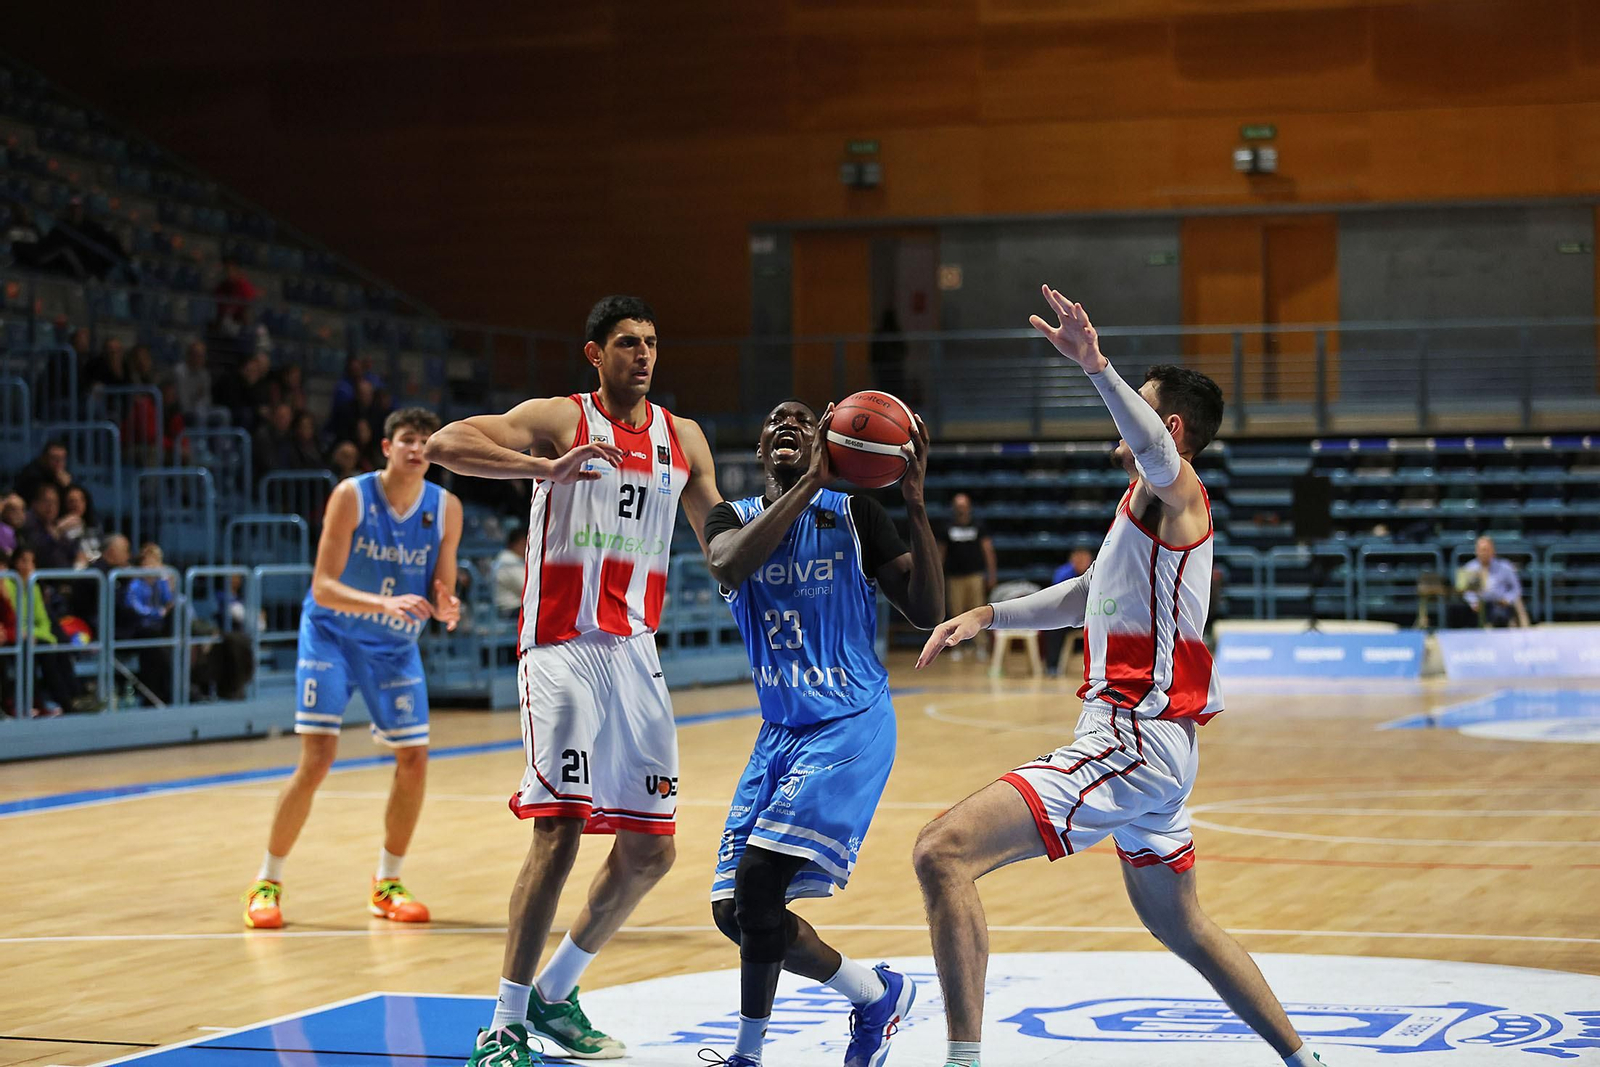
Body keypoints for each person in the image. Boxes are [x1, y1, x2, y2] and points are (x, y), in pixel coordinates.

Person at [911, 289, 1326, 1067]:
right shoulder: (1136, 505)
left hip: (1132, 736)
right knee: (1184, 927)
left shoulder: (1181, 493)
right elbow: (1082, 595)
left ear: (1166, 425)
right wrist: (989, 616)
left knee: (942, 850)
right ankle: (1308, 1061)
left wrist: (1096, 365)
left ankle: (961, 1061)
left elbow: (1164, 458)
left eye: (1140, 403)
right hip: (1148, 746)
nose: (1124, 413)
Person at [425, 295, 722, 1067]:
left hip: (635, 652)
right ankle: (503, 1025)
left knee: (652, 853)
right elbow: (446, 442)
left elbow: (723, 541)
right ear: (595, 353)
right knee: (557, 829)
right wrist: (539, 468)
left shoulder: (682, 437)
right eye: (628, 343)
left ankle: (558, 991)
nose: (644, 355)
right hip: (560, 645)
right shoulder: (562, 418)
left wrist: (807, 493)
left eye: (653, 343)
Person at [700, 399, 942, 1067]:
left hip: (849, 721)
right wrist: (811, 479)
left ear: (828, 439)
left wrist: (915, 506)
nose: (786, 422)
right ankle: (875, 995)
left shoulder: (857, 514)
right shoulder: (732, 518)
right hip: (779, 733)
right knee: (736, 913)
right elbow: (727, 565)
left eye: (804, 420)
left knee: (757, 882)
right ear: (758, 447)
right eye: (774, 418)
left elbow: (926, 609)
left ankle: (748, 1056)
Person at [241, 407, 463, 930]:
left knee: (415, 758)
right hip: (334, 634)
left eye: (427, 442)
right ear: (386, 448)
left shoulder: (446, 508)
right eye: (408, 440)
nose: (417, 449)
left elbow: (442, 586)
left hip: (394, 645)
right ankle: (266, 882)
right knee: (318, 757)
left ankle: (387, 882)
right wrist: (380, 605)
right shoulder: (352, 495)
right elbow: (323, 585)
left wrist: (448, 605)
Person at [937, 493, 996, 661]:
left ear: (969, 507)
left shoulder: (978, 526)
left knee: (978, 611)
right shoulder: (946, 527)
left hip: (974, 576)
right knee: (956, 612)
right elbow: (941, 553)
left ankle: (980, 646)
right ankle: (956, 646)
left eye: (964, 506)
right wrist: (939, 577)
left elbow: (988, 551)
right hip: (954, 577)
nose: (961, 509)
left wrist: (991, 574)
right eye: (958, 506)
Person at [119, 541, 177, 705]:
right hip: (139, 628)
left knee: (170, 638)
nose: (152, 565)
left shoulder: (160, 583)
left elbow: (168, 602)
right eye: (148, 561)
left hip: (158, 628)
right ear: (142, 564)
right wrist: (157, 613)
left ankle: (171, 692)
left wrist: (166, 580)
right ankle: (159, 695)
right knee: (156, 647)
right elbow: (135, 608)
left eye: (155, 561)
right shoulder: (135, 584)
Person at [1454, 535, 1529, 629]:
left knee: (1499, 614)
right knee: (1456, 610)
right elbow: (1464, 590)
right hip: (1478, 606)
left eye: (1486, 549)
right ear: (1476, 551)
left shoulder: (1505, 567)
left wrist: (1507, 599)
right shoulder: (1469, 567)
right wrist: (1473, 602)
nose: (1483, 553)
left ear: (1493, 551)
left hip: (1499, 604)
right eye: (1481, 550)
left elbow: (1516, 588)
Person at [1040, 546, 1094, 674]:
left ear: (1090, 559)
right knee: (1053, 627)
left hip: (1092, 615)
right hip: (1069, 615)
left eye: (1084, 556)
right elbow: (1057, 599)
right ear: (1072, 559)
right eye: (1077, 556)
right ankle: (1052, 666)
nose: (1080, 560)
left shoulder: (1098, 572)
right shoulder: (1063, 573)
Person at [14, 440, 72, 507]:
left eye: (62, 458)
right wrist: (62, 486)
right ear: (44, 458)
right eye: (54, 458)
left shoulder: (61, 474)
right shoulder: (32, 475)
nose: (58, 462)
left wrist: (67, 486)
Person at [492, 527, 528, 618]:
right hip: (509, 610)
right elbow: (526, 588)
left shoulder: (516, 559)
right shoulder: (507, 560)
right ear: (517, 543)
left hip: (518, 607)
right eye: (524, 544)